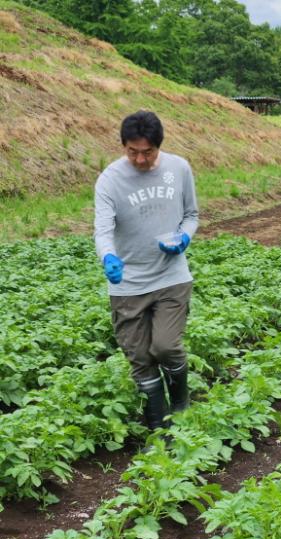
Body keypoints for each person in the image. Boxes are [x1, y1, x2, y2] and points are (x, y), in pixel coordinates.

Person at [94, 110, 199, 434]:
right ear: (124, 146)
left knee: (165, 347)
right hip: (128, 283)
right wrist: (108, 256)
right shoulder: (110, 179)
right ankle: (158, 425)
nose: (139, 159)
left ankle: (180, 407)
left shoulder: (179, 168)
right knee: (139, 357)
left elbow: (191, 215)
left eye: (147, 152)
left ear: (159, 146)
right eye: (132, 151)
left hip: (171, 276)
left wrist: (184, 237)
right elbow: (103, 229)